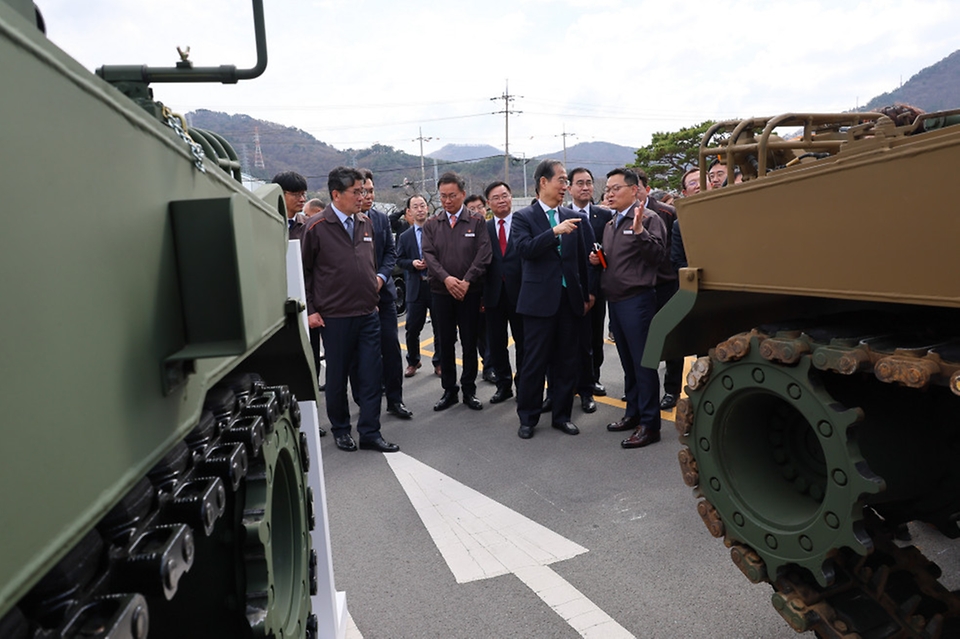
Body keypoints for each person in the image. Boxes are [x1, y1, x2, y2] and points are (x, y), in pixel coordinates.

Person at [301, 166, 398, 453]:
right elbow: (303, 272)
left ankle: (370, 431)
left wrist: (373, 287)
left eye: (365, 191)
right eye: (357, 192)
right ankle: (341, 430)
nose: (362, 196)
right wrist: (311, 309)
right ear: (336, 194)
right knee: (337, 377)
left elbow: (369, 263)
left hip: (368, 312)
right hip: (334, 317)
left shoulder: (365, 223)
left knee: (370, 376)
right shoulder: (316, 227)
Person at [512, 160, 593, 440]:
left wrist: (586, 294)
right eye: (561, 180)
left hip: (568, 300)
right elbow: (524, 250)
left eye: (566, 181)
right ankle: (528, 417)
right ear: (543, 182)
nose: (566, 186)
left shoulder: (573, 215)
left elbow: (583, 261)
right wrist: (554, 232)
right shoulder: (523, 217)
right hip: (537, 302)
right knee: (534, 362)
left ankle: (562, 416)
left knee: (566, 361)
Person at [591, 167, 665, 449]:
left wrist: (640, 232)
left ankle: (650, 424)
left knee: (643, 364)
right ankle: (633, 412)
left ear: (634, 190)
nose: (609, 193)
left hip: (638, 301)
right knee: (628, 363)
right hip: (616, 301)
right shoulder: (611, 224)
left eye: (615, 188)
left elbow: (658, 257)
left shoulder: (647, 219)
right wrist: (599, 260)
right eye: (607, 189)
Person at [421, 172, 492, 411]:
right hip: (441, 292)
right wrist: (447, 279)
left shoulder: (477, 221)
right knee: (446, 342)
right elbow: (429, 255)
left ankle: (469, 390)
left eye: (452, 195)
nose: (447, 200)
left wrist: (466, 280)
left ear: (462, 194)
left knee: (470, 341)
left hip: (470, 292)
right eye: (443, 196)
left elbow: (484, 253)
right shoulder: (432, 223)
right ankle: (449, 390)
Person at [351, 169, 411, 420]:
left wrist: (381, 277)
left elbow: (390, 253)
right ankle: (363, 400)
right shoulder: (345, 221)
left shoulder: (381, 219)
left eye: (372, 190)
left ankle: (395, 400)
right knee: (359, 354)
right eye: (363, 191)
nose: (368, 195)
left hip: (384, 295)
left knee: (391, 348)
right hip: (355, 299)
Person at [636, 169, 683, 411]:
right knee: (643, 342)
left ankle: (672, 390)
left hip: (666, 284)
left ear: (646, 188)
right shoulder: (622, 215)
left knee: (671, 338)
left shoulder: (667, 212)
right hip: (640, 287)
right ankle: (643, 391)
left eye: (638, 187)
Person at [568, 167, 612, 404]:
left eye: (588, 183)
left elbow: (610, 250)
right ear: (569, 187)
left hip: (596, 287)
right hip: (569, 288)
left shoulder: (603, 216)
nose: (585, 187)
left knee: (594, 337)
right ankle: (572, 380)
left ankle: (592, 378)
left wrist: (593, 291)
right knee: (571, 338)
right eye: (579, 183)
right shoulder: (562, 215)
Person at [482, 181, 524, 405]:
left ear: (511, 197)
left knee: (523, 342)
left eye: (505, 195)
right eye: (496, 197)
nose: (501, 200)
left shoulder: (522, 223)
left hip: (520, 293)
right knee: (497, 344)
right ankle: (503, 385)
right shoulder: (484, 228)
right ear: (489, 203)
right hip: (493, 294)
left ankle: (523, 386)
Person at [396, 194, 441, 378]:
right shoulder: (405, 236)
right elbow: (399, 259)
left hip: (436, 285)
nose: (420, 209)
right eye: (415, 207)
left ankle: (439, 362)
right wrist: (412, 263)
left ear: (427, 208)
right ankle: (413, 361)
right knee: (412, 327)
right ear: (409, 212)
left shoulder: (437, 231)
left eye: (422, 205)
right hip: (415, 287)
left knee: (440, 326)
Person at [465, 194, 496, 384]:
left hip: (493, 286)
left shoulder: (493, 228)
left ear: (486, 208)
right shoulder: (465, 231)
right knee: (476, 331)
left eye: (480, 207)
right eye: (472, 209)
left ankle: (491, 366)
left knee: (491, 330)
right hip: (472, 287)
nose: (477, 211)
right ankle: (486, 364)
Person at [273, 171, 309, 240]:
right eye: (296, 195)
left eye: (303, 194)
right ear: (280, 194)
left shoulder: (309, 225)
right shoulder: (267, 224)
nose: (302, 199)